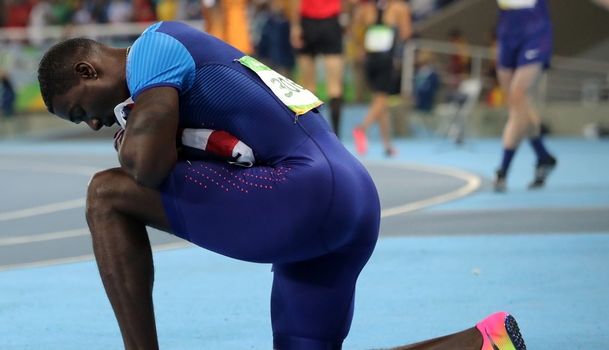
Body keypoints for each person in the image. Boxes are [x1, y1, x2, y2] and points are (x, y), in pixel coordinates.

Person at [37, 20, 527, 350]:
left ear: (88, 69)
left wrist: (126, 136)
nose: (93, 125)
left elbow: (146, 165)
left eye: (80, 112)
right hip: (352, 198)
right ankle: (483, 341)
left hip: (303, 195)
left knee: (106, 193)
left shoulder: (152, 48)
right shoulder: (170, 74)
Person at [493, 0, 557, 192]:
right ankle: (544, 156)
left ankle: (502, 170)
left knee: (518, 95)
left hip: (535, 31)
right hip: (506, 32)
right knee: (516, 103)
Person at [351, 0, 412, 156]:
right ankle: (362, 129)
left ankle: (387, 145)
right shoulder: (399, 8)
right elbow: (406, 34)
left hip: (370, 60)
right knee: (382, 100)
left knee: (380, 103)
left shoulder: (365, 10)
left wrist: (361, 47)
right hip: (386, 60)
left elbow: (353, 30)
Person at [289, 0, 346, 136]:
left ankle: (312, 135)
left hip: (308, 23)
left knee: (308, 86)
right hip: (331, 23)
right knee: (335, 86)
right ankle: (336, 137)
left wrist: (295, 25)